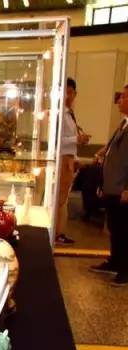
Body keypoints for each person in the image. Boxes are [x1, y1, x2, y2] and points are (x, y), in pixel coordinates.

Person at [89, 84, 128, 286]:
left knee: (124, 230)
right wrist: (103, 183)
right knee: (114, 227)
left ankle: (125, 270)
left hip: (123, 188)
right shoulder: (123, 124)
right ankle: (115, 262)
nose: (119, 100)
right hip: (112, 186)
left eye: (123, 97)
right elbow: (112, 153)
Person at [55, 77, 90, 245]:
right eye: (65, 92)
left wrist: (76, 158)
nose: (68, 96)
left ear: (75, 94)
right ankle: (56, 234)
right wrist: (77, 139)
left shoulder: (70, 114)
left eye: (70, 92)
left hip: (68, 160)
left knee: (63, 201)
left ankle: (59, 233)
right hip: (62, 161)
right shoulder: (60, 114)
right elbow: (57, 141)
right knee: (60, 200)